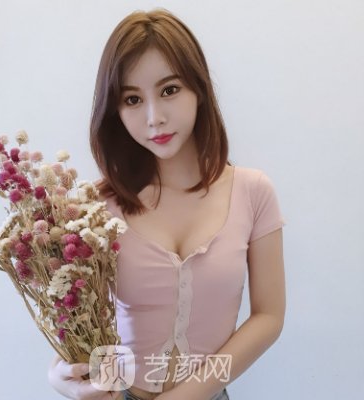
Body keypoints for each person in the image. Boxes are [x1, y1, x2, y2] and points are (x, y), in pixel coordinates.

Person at [48, 8, 286, 400]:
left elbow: (269, 316)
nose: (154, 117)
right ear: (115, 111)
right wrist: (62, 374)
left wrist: (188, 394)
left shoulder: (252, 192)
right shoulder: (96, 207)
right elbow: (81, 316)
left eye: (169, 90)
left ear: (199, 89)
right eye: (132, 99)